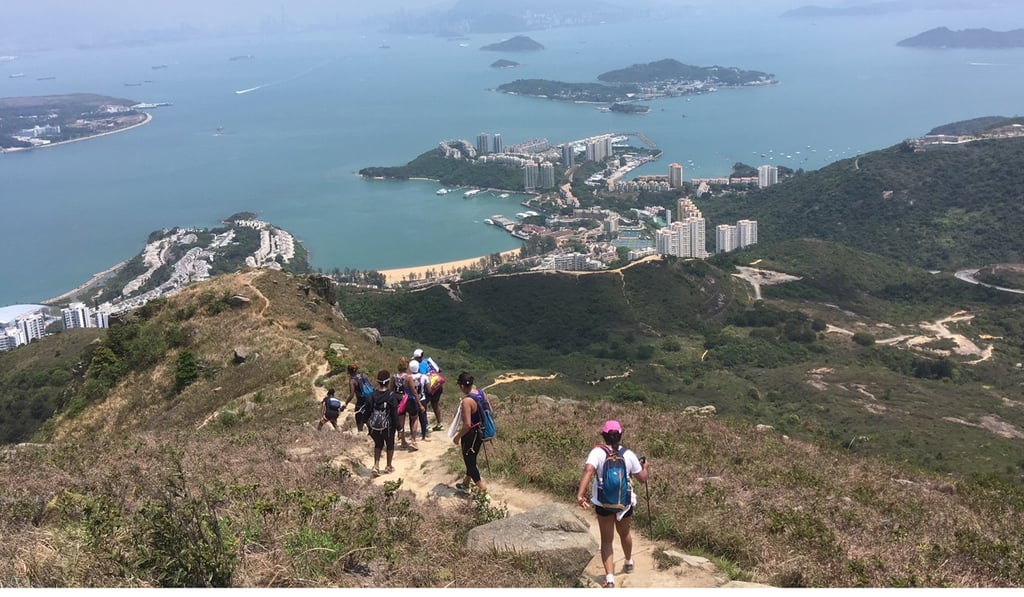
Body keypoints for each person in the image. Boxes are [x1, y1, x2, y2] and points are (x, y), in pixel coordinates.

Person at [575, 420, 650, 589]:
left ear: (604, 435)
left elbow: (588, 470)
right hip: (624, 503)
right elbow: (642, 478)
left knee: (607, 540)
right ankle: (629, 562)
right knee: (625, 534)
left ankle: (609, 579)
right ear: (620, 435)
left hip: (603, 503)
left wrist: (580, 495)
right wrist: (646, 466)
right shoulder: (628, 454)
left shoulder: (597, 452)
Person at [451, 371, 487, 496]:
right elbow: (490, 411)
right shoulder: (481, 394)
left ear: (461, 386)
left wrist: (457, 437)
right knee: (472, 459)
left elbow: (467, 425)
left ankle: (483, 492)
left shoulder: (467, 401)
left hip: (470, 435)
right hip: (481, 432)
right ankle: (466, 484)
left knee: (470, 463)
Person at [367, 369, 400, 477]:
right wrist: (399, 428)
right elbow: (394, 414)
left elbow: (367, 411)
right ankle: (388, 466)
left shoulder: (372, 395)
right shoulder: (391, 396)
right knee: (390, 444)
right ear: (388, 381)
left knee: (378, 444)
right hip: (388, 427)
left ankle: (376, 465)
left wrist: (366, 424)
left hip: (374, 427)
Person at [413, 348, 445, 431]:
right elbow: (439, 370)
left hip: (427, 388)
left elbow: (420, 376)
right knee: (435, 404)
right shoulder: (428, 360)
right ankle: (439, 424)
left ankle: (427, 425)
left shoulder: (418, 365)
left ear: (417, 358)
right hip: (437, 386)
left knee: (424, 406)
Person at [393, 358, 420, 451]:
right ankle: (413, 440)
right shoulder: (408, 377)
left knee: (401, 422)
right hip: (409, 399)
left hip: (398, 400)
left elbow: (391, 390)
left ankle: (403, 441)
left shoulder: (394, 376)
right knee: (415, 418)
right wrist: (420, 404)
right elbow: (414, 391)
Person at [342, 364, 370, 432]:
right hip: (370, 398)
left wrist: (345, 404)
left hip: (361, 400)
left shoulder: (352, 381)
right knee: (368, 415)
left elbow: (351, 395)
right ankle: (371, 431)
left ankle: (360, 432)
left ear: (349, 371)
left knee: (358, 417)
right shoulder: (363, 375)